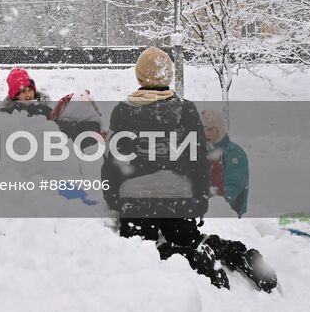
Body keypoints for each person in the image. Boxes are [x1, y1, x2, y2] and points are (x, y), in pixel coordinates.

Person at [101, 48, 276, 292]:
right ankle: (235, 253)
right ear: (169, 76)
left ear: (139, 76)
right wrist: (199, 201)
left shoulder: (123, 110)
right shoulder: (186, 109)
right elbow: (199, 162)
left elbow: (113, 161)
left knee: (143, 249)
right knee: (188, 235)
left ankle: (190, 257)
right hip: (178, 198)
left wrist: (113, 199)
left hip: (137, 201)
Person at [200, 109, 249, 218]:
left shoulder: (233, 152)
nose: (206, 134)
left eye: (210, 129)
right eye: (202, 129)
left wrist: (208, 203)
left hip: (228, 215)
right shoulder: (200, 151)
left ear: (219, 129)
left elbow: (233, 186)